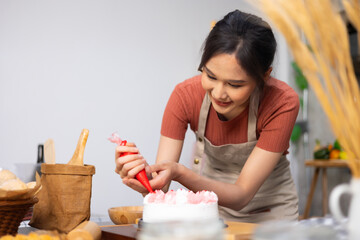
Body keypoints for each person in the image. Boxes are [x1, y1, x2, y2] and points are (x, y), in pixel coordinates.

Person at [114, 9, 299, 223]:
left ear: (264, 76)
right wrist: (141, 175)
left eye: (235, 84)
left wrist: (180, 173)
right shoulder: (185, 96)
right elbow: (160, 187)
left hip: (272, 214)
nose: (219, 93)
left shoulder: (281, 102)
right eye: (210, 75)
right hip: (212, 213)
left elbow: (241, 195)